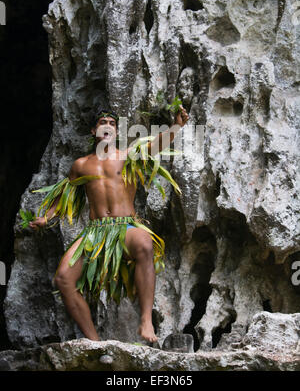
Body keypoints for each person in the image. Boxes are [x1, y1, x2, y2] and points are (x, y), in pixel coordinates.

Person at [29, 106, 189, 343]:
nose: (107, 125)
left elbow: (155, 145)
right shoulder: (80, 165)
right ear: (94, 130)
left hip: (125, 227)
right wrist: (46, 218)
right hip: (95, 232)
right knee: (63, 278)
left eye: (112, 123)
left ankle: (146, 320)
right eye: (102, 122)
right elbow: (66, 197)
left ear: (116, 132)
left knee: (145, 244)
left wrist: (176, 126)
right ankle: (94, 342)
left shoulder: (128, 156)